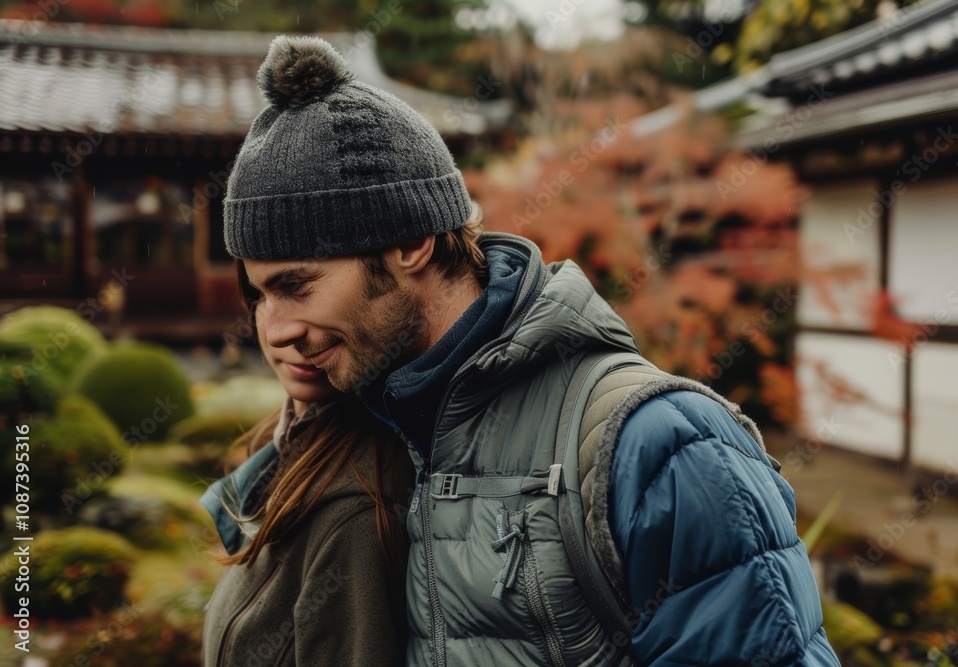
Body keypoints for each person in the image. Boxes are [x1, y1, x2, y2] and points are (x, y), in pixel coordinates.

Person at [223, 35, 841, 666]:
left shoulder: (658, 444)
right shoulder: (385, 430)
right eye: (259, 296)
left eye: (295, 286)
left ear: (410, 242)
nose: (273, 329)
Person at [199, 259, 412, 667]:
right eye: (261, 296)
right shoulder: (280, 453)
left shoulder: (356, 510)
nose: (281, 332)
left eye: (298, 288)